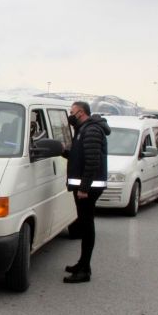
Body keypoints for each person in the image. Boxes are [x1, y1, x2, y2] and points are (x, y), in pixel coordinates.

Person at [61, 101, 110, 284]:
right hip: (86, 186)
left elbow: (92, 161)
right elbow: (80, 155)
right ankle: (82, 263)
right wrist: (64, 151)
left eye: (72, 112)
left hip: (88, 188)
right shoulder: (83, 129)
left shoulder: (91, 130)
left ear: (81, 112)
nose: (70, 115)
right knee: (84, 223)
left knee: (87, 226)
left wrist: (84, 188)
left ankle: (85, 270)